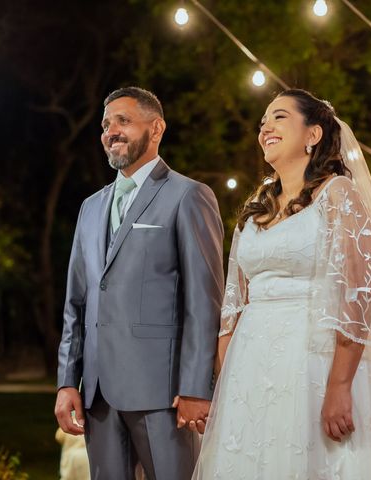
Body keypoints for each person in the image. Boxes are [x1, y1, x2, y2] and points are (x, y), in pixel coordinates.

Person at [192, 89, 371, 479]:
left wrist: (340, 385)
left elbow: (359, 294)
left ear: (313, 134)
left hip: (315, 361)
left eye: (278, 117)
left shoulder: (338, 194)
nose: (265, 127)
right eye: (262, 122)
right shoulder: (255, 209)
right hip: (251, 369)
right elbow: (232, 307)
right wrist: (227, 388)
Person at [54, 87, 224, 480]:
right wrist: (67, 382)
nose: (111, 131)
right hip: (97, 395)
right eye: (105, 124)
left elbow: (204, 300)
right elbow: (75, 304)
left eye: (123, 121)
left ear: (157, 128)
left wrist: (198, 386)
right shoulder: (90, 207)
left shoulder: (189, 196)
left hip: (162, 393)